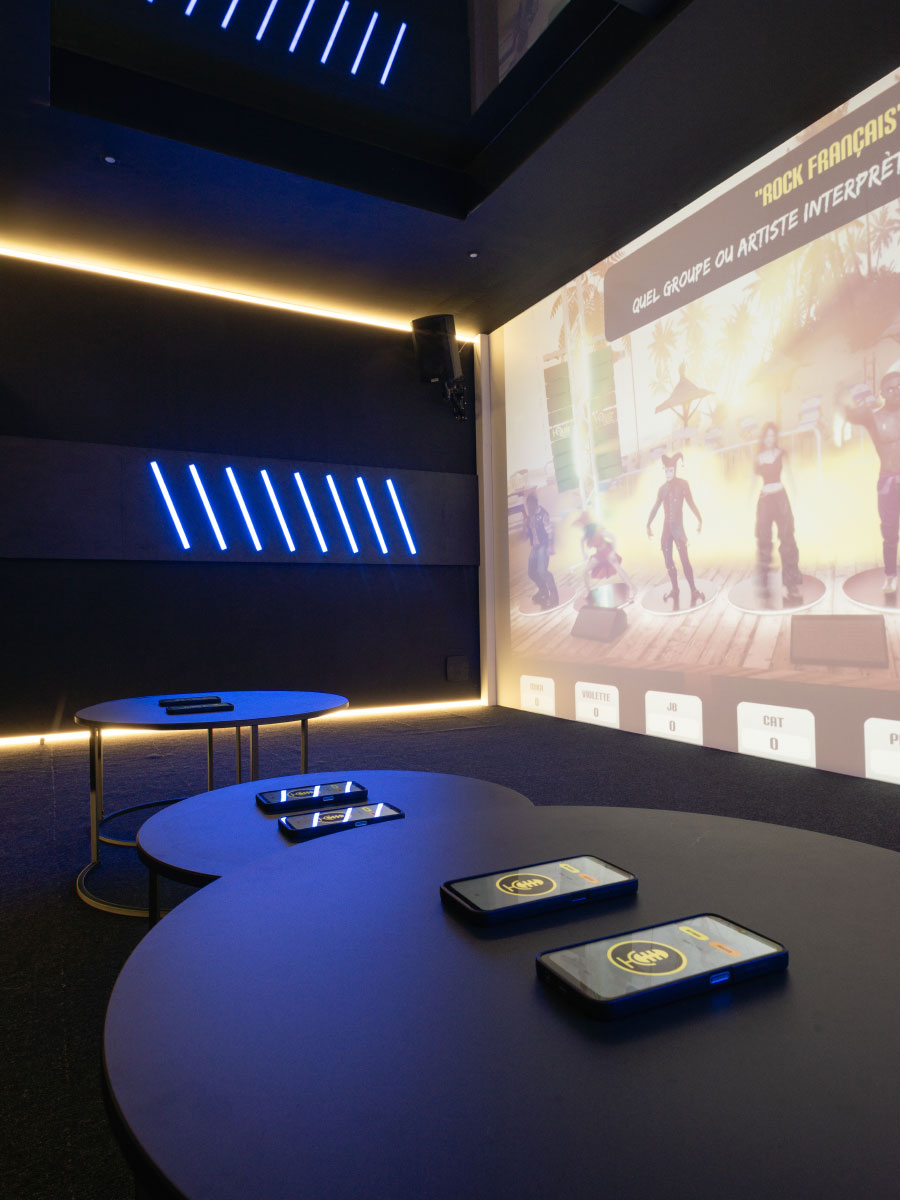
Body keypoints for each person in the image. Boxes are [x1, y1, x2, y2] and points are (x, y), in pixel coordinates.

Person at [844, 369, 900, 594]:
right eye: (890, 389)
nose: (896, 392)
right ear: (882, 393)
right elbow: (849, 414)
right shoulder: (874, 417)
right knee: (889, 532)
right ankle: (890, 576)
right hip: (888, 481)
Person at [753, 422, 803, 603]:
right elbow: (753, 481)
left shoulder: (781, 454)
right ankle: (764, 582)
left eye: (773, 435)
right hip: (765, 501)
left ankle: (791, 583)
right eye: (767, 435)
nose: (770, 439)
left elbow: (790, 475)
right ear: (763, 437)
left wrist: (796, 495)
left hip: (781, 499)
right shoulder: (758, 457)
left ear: (775, 437)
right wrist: (748, 501)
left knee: (787, 538)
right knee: (764, 540)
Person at [646, 453, 704, 605]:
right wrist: (648, 524)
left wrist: (699, 519)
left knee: (685, 561)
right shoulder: (662, 489)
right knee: (668, 562)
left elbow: (691, 503)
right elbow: (655, 507)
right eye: (666, 470)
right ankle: (675, 589)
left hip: (678, 530)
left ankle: (693, 590)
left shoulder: (683, 484)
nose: (668, 473)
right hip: (666, 531)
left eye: (670, 470)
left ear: (675, 470)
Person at [575, 514, 634, 603]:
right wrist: (583, 553)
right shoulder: (588, 532)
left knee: (618, 569)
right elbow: (582, 540)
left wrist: (613, 552)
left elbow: (612, 537)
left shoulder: (597, 529)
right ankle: (588, 591)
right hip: (599, 554)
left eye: (583, 523)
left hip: (607, 551)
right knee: (585, 571)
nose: (582, 526)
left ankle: (631, 588)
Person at [523, 492, 559, 609]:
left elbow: (550, 531)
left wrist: (550, 546)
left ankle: (554, 594)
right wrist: (524, 525)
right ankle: (543, 590)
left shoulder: (543, 514)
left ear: (535, 504)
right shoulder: (529, 517)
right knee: (531, 572)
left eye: (530, 506)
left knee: (542, 571)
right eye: (527, 506)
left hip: (543, 545)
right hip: (535, 547)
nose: (529, 508)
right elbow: (527, 535)